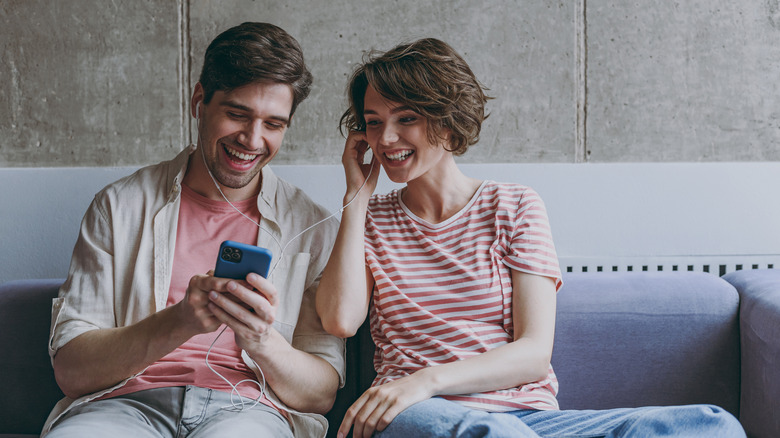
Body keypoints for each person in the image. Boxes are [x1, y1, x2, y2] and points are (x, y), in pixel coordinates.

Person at [315, 38, 746, 438]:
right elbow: (340, 320)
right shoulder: (369, 219)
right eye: (374, 123)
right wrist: (355, 197)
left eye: (406, 118)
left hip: (526, 418)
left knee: (711, 425)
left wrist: (424, 381)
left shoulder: (514, 205)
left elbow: (534, 353)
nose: (386, 138)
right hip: (421, 416)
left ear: (448, 124)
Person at [44, 22, 344, 438]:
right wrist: (181, 320)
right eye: (237, 114)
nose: (252, 139)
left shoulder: (311, 226)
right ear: (199, 101)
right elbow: (72, 370)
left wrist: (261, 340)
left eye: (273, 124)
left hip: (245, 411)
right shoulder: (119, 206)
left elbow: (321, 393)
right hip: (123, 406)